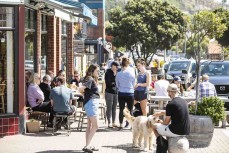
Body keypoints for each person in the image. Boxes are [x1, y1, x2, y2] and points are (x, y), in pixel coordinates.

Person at [79, 64, 100, 153]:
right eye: (97, 71)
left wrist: (86, 94)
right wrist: (84, 93)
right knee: (95, 126)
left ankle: (88, 144)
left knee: (89, 125)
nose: (98, 72)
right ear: (92, 70)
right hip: (91, 103)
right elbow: (81, 89)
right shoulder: (90, 79)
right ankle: (87, 145)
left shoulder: (90, 78)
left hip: (90, 102)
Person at [116, 57, 135, 130]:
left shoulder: (118, 74)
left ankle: (120, 124)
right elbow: (133, 83)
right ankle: (131, 125)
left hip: (121, 92)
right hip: (130, 92)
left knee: (121, 109)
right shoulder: (131, 73)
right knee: (130, 110)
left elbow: (117, 85)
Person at [105, 61, 119, 128]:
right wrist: (115, 82)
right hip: (109, 92)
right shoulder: (108, 73)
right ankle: (109, 122)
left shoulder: (117, 73)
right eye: (116, 67)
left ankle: (114, 122)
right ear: (113, 66)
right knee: (109, 108)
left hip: (116, 92)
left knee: (114, 108)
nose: (117, 68)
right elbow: (108, 83)